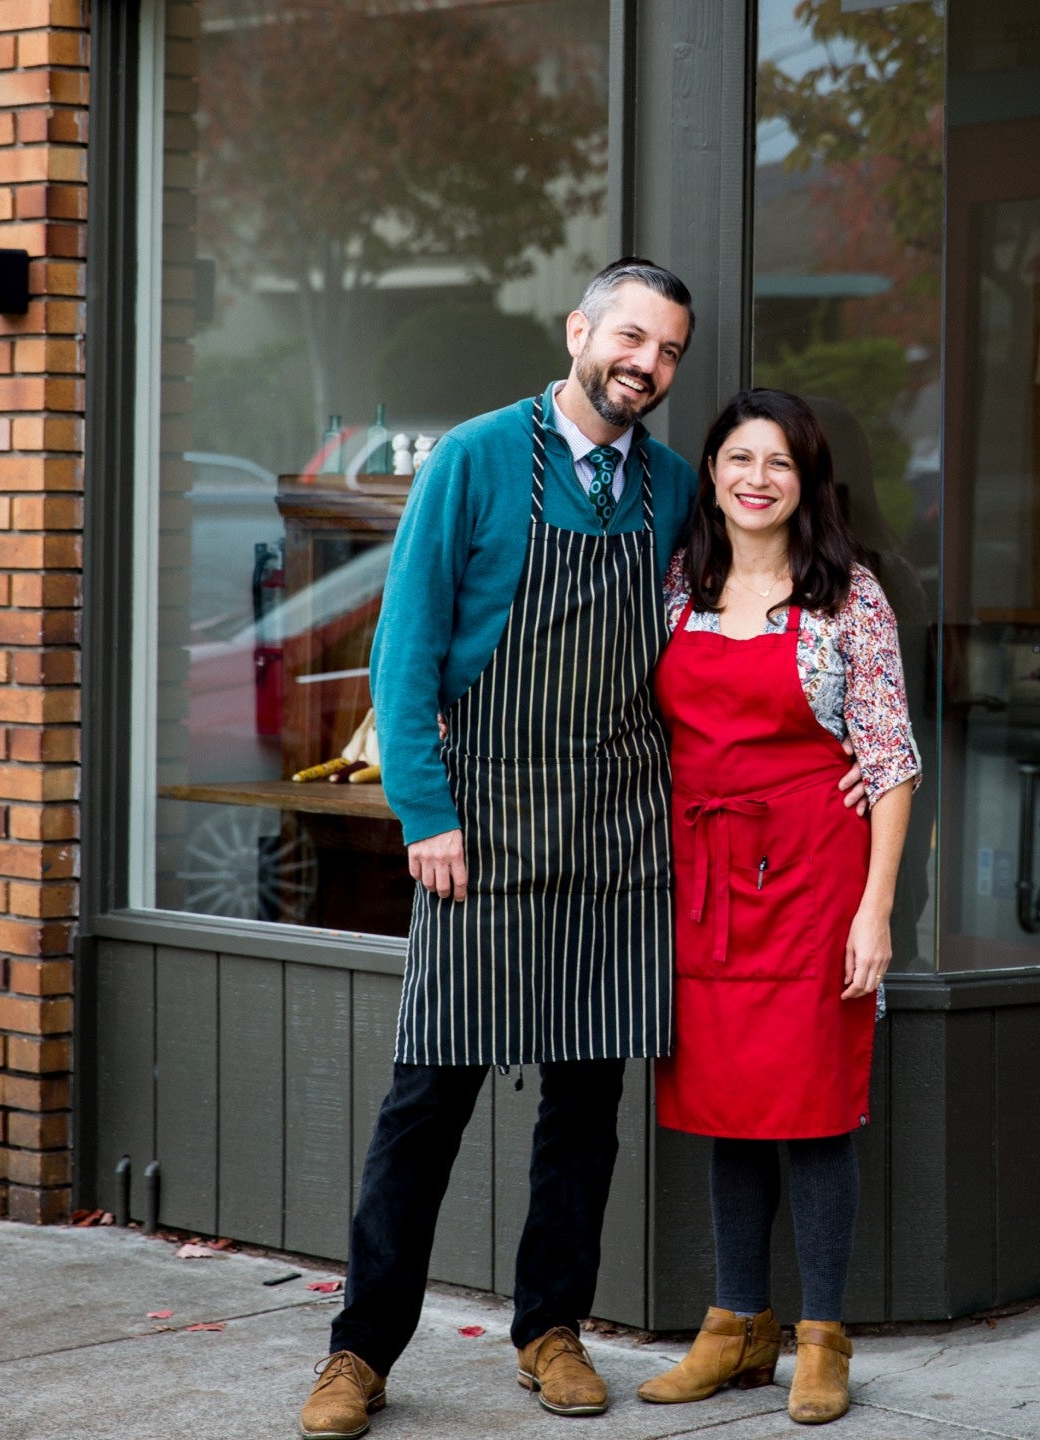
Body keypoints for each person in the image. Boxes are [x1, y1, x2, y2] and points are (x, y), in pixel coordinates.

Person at [298, 263, 867, 1439]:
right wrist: (426, 809)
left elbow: (740, 644)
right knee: (427, 1100)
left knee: (583, 1110)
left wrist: (852, 748)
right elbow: (403, 650)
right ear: (580, 331)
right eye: (629, 336)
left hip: (618, 839)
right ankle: (360, 1349)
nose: (644, 364)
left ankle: (550, 1330)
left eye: (666, 351)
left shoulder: (672, 491)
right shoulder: (475, 458)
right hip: (482, 828)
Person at [638, 389, 919, 1426]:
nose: (757, 479)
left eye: (781, 464)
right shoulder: (679, 586)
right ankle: (734, 1327)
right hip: (702, 885)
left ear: (808, 484)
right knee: (729, 1108)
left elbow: (890, 762)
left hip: (814, 881)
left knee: (812, 1110)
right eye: (739, 458)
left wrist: (875, 911)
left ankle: (821, 1338)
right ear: (710, 472)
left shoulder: (851, 598)